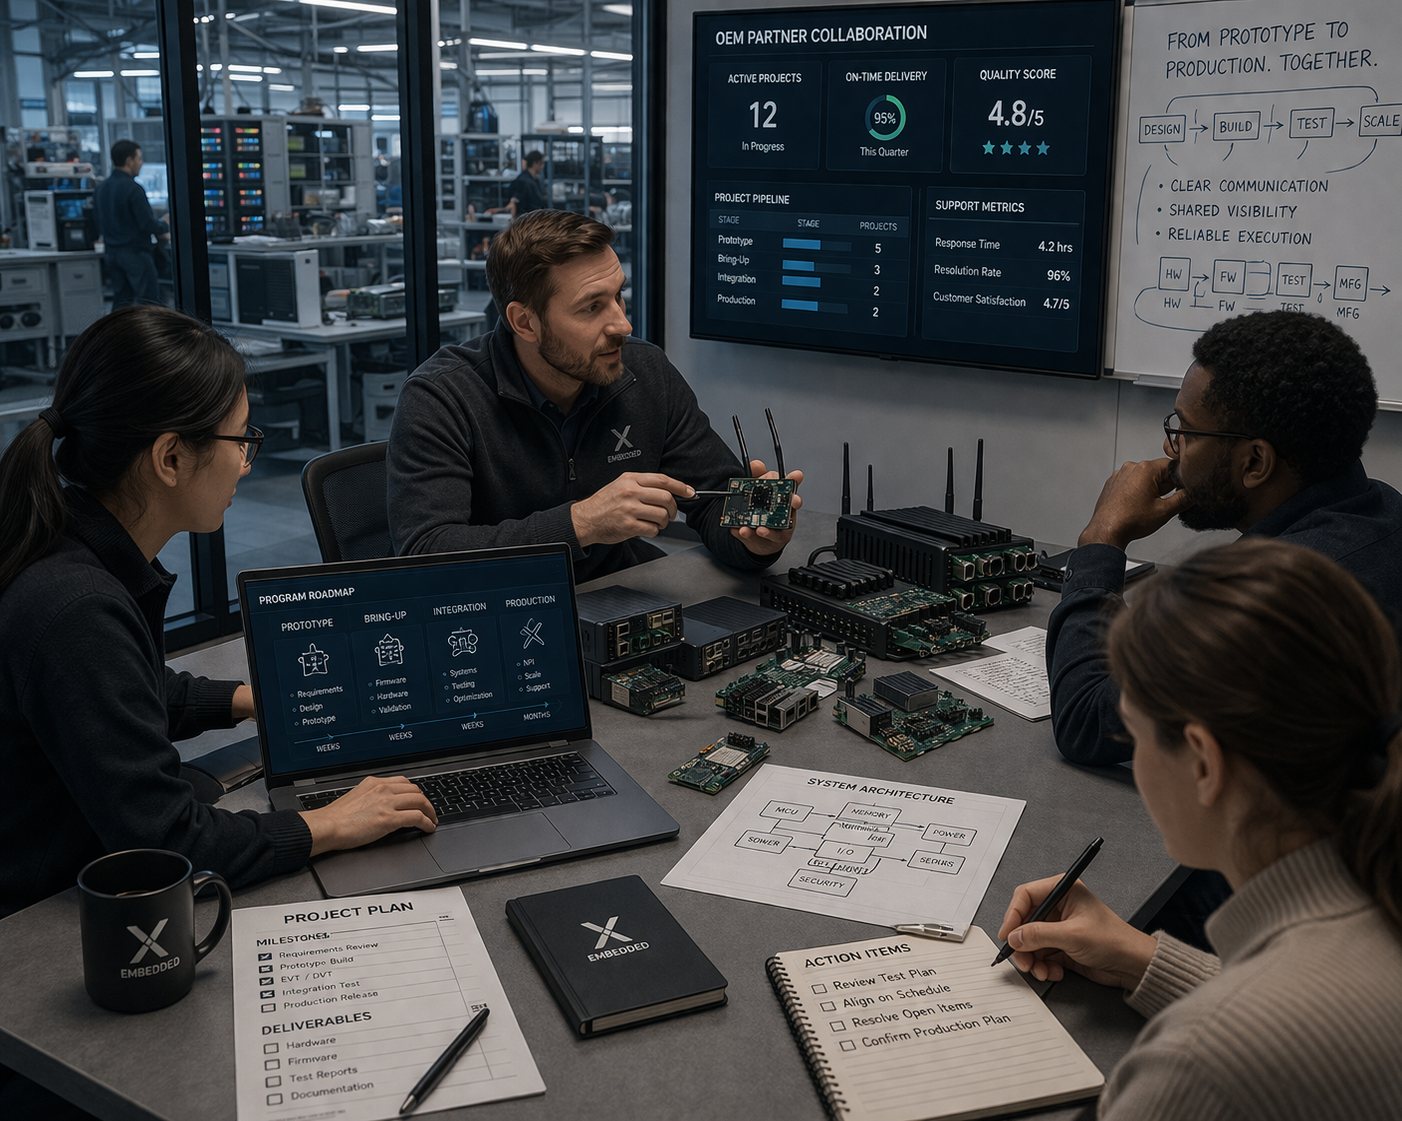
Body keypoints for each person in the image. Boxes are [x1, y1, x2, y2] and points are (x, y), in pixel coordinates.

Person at [0, 305, 438, 922]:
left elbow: (118, 700)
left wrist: (247, 697)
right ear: (171, 458)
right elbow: (171, 842)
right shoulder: (77, 609)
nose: (245, 463)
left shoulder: (71, 546)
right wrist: (328, 823)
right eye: (243, 441)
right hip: (42, 919)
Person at [998, 538, 1402, 1120]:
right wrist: (1142, 959)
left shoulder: (1197, 1065)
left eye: (1132, 735)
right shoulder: (1375, 889)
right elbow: (1314, 1022)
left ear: (1204, 763)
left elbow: (1248, 1045)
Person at [1048, 310, 1402, 769]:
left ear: (1255, 462)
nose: (1170, 450)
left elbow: (1086, 719)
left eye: (1186, 431)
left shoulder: (1272, 596)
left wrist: (1101, 541)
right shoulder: (1388, 512)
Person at [387, 208, 802, 581]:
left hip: (615, 597)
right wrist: (581, 523)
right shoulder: (442, 397)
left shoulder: (645, 372)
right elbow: (428, 553)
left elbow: (714, 500)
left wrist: (754, 541)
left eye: (619, 295)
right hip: (495, 619)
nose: (622, 324)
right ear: (525, 323)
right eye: (591, 307)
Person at [93, 139, 167, 309]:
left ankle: (120, 335)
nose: (141, 163)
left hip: (111, 254)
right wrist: (165, 224)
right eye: (139, 158)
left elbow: (97, 221)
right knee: (150, 303)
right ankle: (150, 336)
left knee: (122, 302)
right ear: (129, 161)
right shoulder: (134, 189)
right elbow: (148, 224)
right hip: (135, 255)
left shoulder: (101, 188)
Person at [507, 149, 549, 217]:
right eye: (542, 163)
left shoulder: (535, 180)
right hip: (527, 221)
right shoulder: (522, 181)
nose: (543, 166)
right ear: (536, 163)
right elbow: (515, 197)